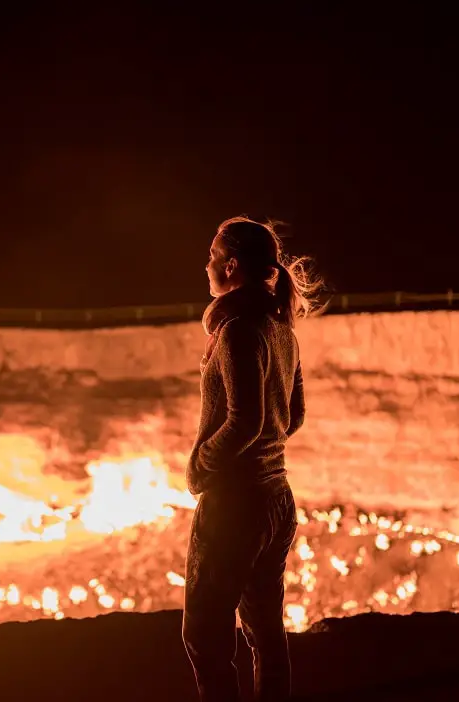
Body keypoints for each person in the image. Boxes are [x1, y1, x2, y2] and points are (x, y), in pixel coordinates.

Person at [183, 216, 322, 702]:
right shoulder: (280, 330)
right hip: (276, 500)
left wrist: (202, 463)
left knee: (203, 633)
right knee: (266, 633)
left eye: (212, 258)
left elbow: (247, 421)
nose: (206, 266)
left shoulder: (239, 331)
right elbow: (292, 417)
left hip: (235, 505)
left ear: (232, 265)